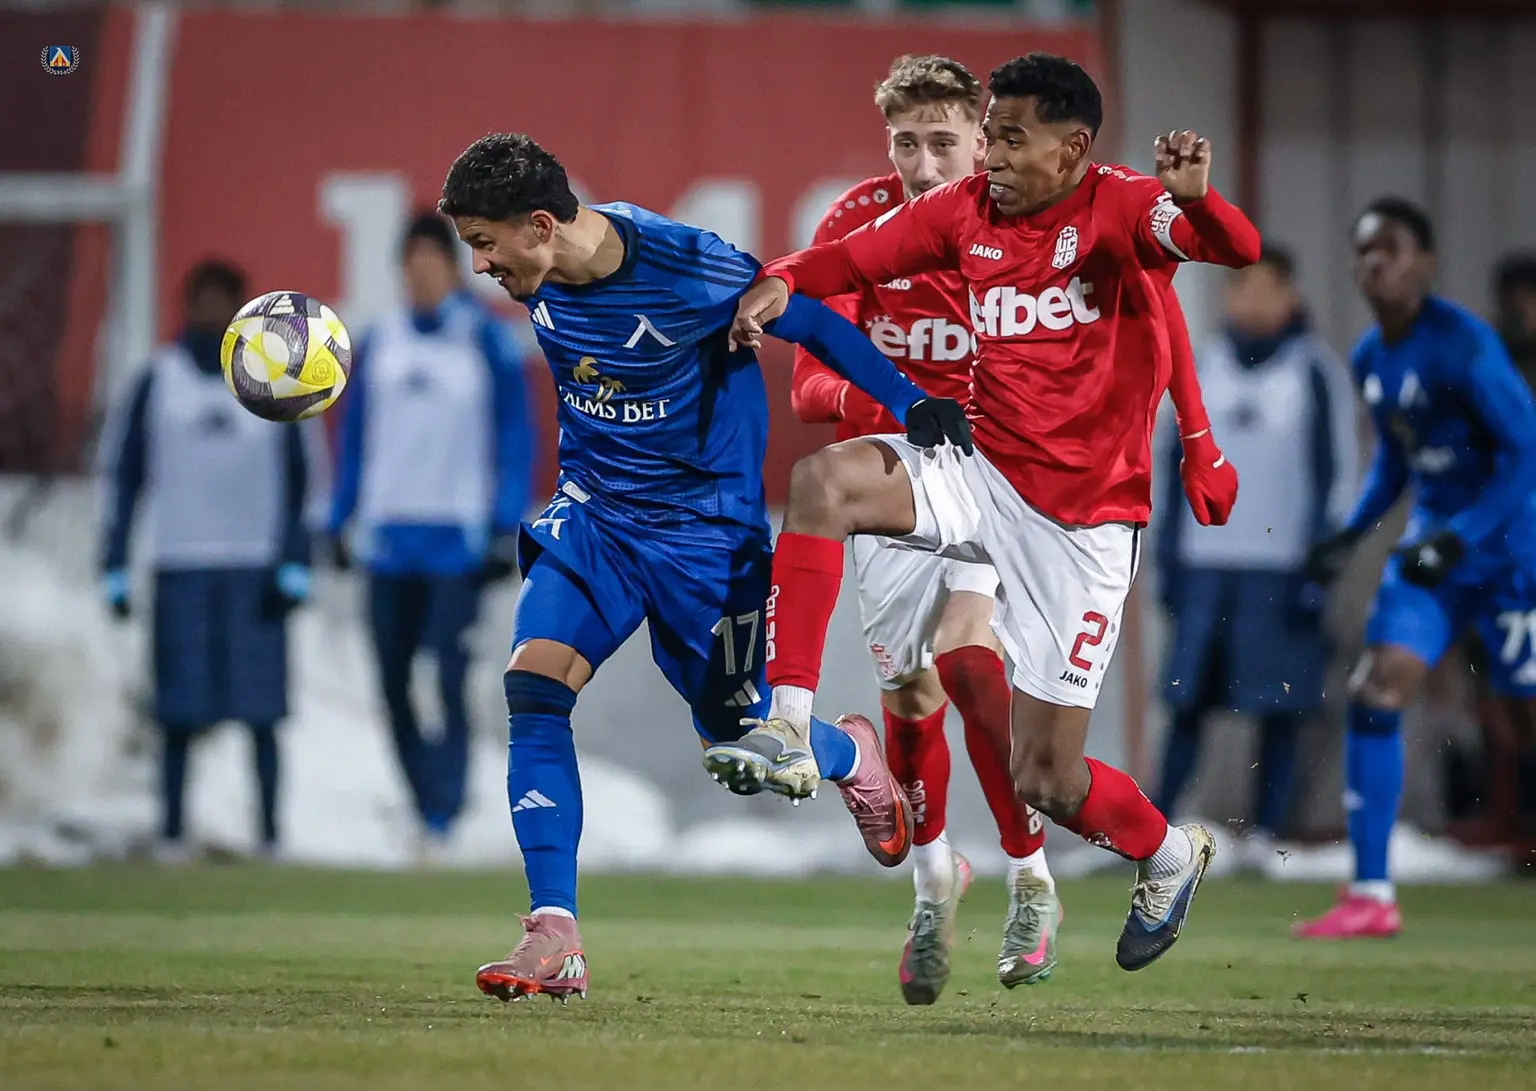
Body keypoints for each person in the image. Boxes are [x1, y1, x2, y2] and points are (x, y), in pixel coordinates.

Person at [712, 52, 1258, 972]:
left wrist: (1198, 203)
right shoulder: (963, 211)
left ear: (1071, 148)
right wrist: (783, 280)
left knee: (1048, 778)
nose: (990, 157)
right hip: (979, 466)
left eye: (1008, 138)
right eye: (990, 135)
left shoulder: (1124, 206)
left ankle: (1168, 852)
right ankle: (791, 721)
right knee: (823, 485)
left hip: (1083, 524)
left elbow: (1229, 249)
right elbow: (848, 260)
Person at [434, 132, 971, 1003]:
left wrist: (910, 403)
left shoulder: (688, 265)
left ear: (539, 225)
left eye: (486, 243)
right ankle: (554, 932)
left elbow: (811, 320)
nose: (481, 266)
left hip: (705, 538)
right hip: (597, 517)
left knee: (733, 728)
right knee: (533, 688)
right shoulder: (540, 276)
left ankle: (847, 752)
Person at [790, 54, 1059, 1003]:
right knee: (909, 696)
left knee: (971, 662)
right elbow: (809, 381)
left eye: (942, 142)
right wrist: (896, 404)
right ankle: (935, 878)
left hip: (995, 474)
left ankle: (1033, 879)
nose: (921, 163)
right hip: (896, 473)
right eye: (905, 142)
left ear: (982, 141)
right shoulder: (859, 220)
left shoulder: (1018, 221)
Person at [1296, 199, 1536, 938]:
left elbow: (1525, 456)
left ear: (1425, 263)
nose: (1377, 263)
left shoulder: (1465, 347)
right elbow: (1395, 464)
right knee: (1376, 688)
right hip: (1433, 557)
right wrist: (1347, 534)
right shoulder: (1372, 355)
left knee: (1525, 724)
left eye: (1393, 249)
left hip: (1510, 555)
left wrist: (1461, 537)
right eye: (1366, 251)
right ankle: (1371, 892)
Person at [327, 211, 536, 853]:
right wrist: (338, 518)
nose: (419, 276)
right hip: (388, 543)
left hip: (456, 544)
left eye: (430, 263)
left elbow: (515, 437)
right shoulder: (379, 343)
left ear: (451, 268)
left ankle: (447, 808)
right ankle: (422, 804)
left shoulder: (486, 341)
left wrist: (504, 525)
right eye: (409, 264)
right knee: (392, 682)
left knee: (447, 679)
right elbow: (354, 438)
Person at [99, 259, 315, 860]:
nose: (213, 314)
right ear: (186, 307)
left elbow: (303, 481)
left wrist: (297, 560)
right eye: (204, 301)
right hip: (181, 565)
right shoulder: (157, 382)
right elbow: (124, 476)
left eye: (225, 303)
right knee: (178, 710)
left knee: (262, 711)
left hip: (255, 569)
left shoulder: (275, 382)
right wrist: (114, 562)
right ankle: (172, 831)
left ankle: (269, 835)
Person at [1153, 247, 1355, 865]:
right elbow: (1168, 465)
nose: (1255, 303)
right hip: (1205, 565)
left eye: (1269, 290)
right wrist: (1165, 556)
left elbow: (1341, 470)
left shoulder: (1313, 370)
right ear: (1227, 297)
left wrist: (1323, 561)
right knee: (1186, 701)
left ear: (1292, 296)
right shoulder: (1200, 365)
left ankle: (1266, 837)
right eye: (1243, 290)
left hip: (1281, 568)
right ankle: (1153, 829)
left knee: (1280, 706)